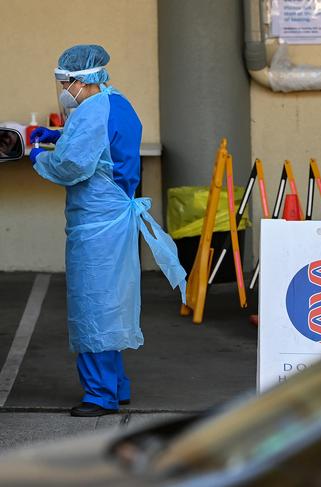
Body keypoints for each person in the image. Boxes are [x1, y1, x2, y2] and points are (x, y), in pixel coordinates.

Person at [29, 45, 186, 417]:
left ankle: (100, 395)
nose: (64, 89)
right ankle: (117, 385)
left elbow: (72, 165)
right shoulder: (118, 103)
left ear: (80, 81)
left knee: (93, 306)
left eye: (65, 82)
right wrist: (52, 134)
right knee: (111, 304)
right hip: (116, 219)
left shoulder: (90, 112)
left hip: (95, 226)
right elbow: (103, 147)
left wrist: (37, 153)